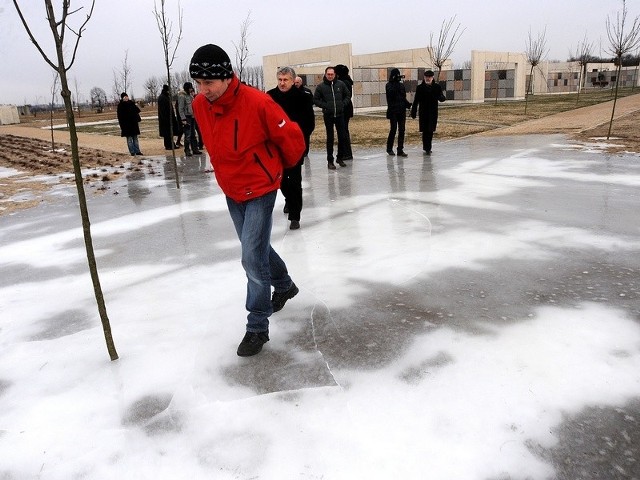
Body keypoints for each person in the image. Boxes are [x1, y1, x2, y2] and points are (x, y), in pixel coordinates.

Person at [190, 44, 305, 357]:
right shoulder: (199, 105)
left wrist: (280, 169)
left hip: (261, 186)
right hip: (232, 189)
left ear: (227, 77)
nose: (203, 90)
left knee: (251, 257)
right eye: (198, 84)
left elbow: (292, 138)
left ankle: (257, 326)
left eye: (208, 83)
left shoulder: (258, 102)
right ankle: (284, 285)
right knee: (256, 247)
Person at [267, 67, 315, 230]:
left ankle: (295, 216)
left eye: (285, 80)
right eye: (280, 79)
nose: (282, 83)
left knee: (294, 181)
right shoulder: (270, 96)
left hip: (294, 146)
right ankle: (289, 199)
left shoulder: (303, 97)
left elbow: (309, 123)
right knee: (280, 180)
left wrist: (299, 141)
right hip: (276, 147)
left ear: (293, 80)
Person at [313, 66, 351, 170]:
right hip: (328, 115)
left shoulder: (341, 84)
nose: (330, 76)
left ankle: (340, 157)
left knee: (342, 136)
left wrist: (342, 104)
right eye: (328, 74)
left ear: (335, 75)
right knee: (330, 138)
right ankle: (330, 161)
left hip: (340, 115)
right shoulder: (321, 87)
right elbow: (315, 99)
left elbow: (348, 95)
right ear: (325, 75)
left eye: (332, 74)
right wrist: (325, 106)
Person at [410, 70, 446, 155]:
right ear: (424, 77)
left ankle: (428, 148)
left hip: (433, 112)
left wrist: (440, 96)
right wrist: (413, 111)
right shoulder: (420, 87)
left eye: (429, 77)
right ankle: (426, 147)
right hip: (423, 112)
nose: (428, 78)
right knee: (425, 130)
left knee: (430, 130)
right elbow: (416, 101)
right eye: (426, 77)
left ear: (432, 78)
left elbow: (442, 98)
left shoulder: (437, 87)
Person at [385, 68, 411, 157]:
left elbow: (403, 97)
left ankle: (400, 149)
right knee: (393, 129)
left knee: (402, 130)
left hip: (401, 110)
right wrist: (395, 82)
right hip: (393, 111)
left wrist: (409, 105)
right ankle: (389, 148)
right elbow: (391, 95)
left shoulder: (401, 85)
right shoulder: (388, 85)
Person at [333, 64, 354, 161]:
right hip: (346, 108)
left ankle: (346, 153)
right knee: (344, 131)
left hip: (344, 109)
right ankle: (347, 153)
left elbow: (344, 96)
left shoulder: (343, 82)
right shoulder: (346, 81)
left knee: (343, 131)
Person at [177, 82, 202, 156]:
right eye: (190, 87)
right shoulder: (182, 96)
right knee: (187, 135)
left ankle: (195, 149)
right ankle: (187, 150)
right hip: (187, 117)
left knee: (193, 134)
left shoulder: (190, 96)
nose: (191, 89)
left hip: (192, 117)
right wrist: (183, 119)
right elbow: (180, 109)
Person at [294, 76, 315, 158]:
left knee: (306, 135)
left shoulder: (307, 91)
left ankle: (305, 151)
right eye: (295, 82)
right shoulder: (291, 92)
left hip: (306, 118)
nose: (296, 84)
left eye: (297, 82)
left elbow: (312, 102)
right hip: (295, 118)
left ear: (301, 82)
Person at [157, 84, 178, 150]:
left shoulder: (165, 97)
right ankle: (168, 145)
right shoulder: (162, 98)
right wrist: (167, 119)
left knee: (169, 133)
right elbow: (163, 110)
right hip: (165, 119)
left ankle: (171, 144)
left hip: (168, 118)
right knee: (167, 133)